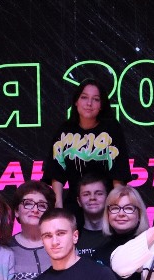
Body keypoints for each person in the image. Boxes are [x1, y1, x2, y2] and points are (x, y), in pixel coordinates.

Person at [44, 79, 131, 208]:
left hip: (106, 203)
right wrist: (58, 206)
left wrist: (116, 205)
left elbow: (118, 172)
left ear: (101, 105)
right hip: (74, 202)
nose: (89, 103)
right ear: (76, 101)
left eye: (96, 99)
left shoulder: (112, 129)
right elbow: (56, 171)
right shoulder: (65, 130)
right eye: (84, 97)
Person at [73, 173, 111, 259]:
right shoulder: (72, 237)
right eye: (86, 194)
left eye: (99, 193)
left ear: (107, 198)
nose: (92, 198)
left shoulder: (117, 235)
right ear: (79, 201)